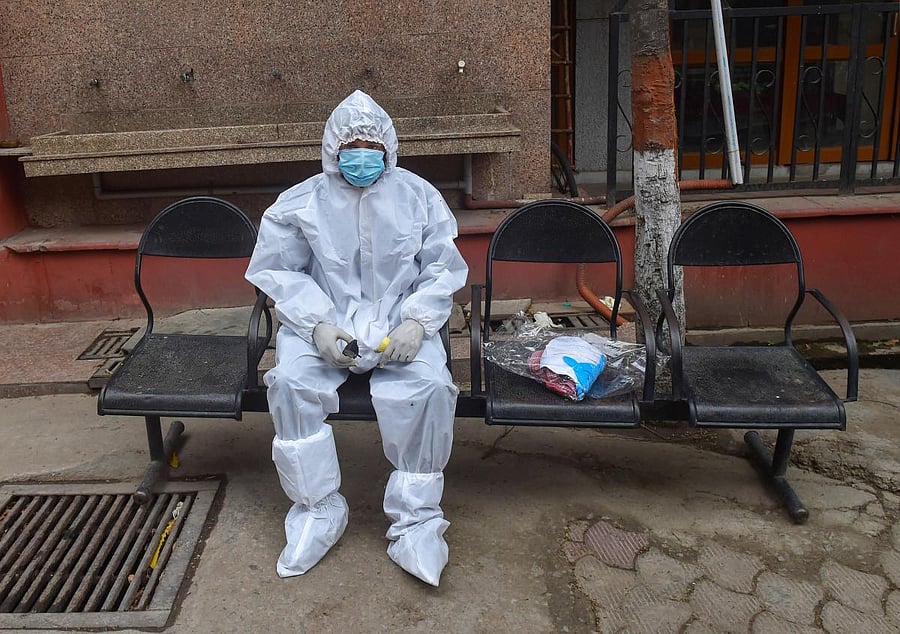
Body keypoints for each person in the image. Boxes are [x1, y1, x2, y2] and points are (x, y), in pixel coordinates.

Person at [245, 90, 468, 586]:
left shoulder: (419, 196)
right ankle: (318, 510)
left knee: (429, 389)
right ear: (332, 148)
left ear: (389, 147)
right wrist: (317, 323)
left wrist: (417, 321)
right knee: (289, 383)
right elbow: (278, 269)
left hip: (398, 323)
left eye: (372, 144)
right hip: (326, 323)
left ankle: (417, 523)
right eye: (352, 144)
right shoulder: (301, 201)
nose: (361, 155)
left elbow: (441, 268)